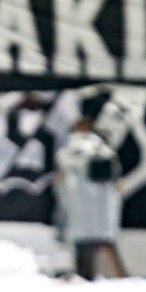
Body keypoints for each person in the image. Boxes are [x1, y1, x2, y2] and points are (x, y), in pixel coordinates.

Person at [55, 95, 128, 281]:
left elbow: (61, 179)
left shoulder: (83, 151)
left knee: (97, 244)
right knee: (97, 245)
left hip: (89, 208)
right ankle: (89, 277)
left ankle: (94, 278)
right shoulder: (101, 150)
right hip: (91, 209)